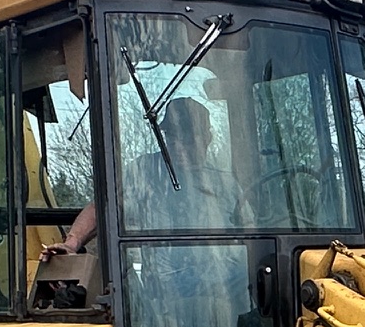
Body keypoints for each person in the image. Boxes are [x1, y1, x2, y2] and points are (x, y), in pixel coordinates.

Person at [43, 97, 240, 256]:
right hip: (159, 297)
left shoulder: (225, 183)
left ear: (207, 137)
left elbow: (250, 229)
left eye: (187, 139)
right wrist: (72, 243)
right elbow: (103, 209)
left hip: (224, 293)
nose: (178, 147)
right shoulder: (146, 172)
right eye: (172, 137)